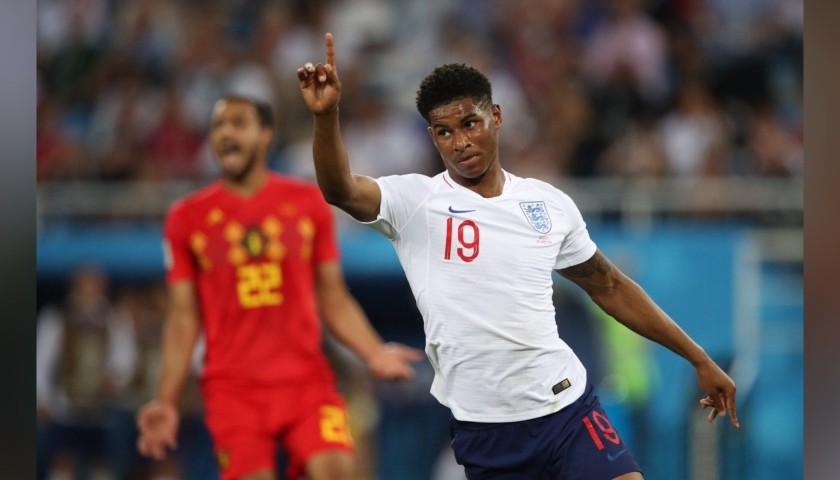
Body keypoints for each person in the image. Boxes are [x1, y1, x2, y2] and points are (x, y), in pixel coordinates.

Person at [296, 33, 739, 480]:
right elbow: (340, 189)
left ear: (497, 116)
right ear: (432, 137)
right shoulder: (416, 201)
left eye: (470, 123)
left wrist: (697, 357)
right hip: (487, 431)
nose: (460, 142)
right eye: (445, 132)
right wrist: (326, 115)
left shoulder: (547, 204)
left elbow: (609, 285)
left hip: (567, 408)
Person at [135, 93, 423, 480]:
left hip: (306, 382)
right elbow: (184, 318)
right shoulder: (186, 218)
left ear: (265, 135)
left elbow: (332, 298)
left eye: (238, 123)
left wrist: (374, 353)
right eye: (218, 126)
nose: (225, 134)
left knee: (340, 471)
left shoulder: (307, 203)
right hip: (233, 389)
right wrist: (166, 400)